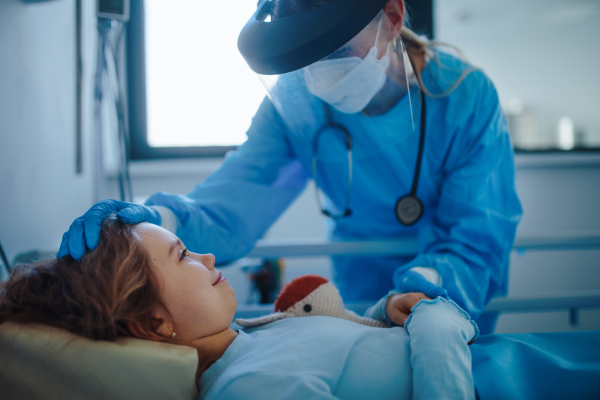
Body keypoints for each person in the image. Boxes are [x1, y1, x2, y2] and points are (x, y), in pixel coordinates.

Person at [57, 0, 523, 333]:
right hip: (360, 280)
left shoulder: (464, 97)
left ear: (393, 17)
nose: (319, 74)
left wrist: (424, 293)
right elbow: (239, 196)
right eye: (306, 61)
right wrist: (159, 220)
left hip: (450, 288)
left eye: (337, 52)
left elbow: (476, 234)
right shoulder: (297, 105)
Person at [2, 216, 599, 400]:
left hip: (525, 357)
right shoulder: (249, 386)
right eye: (184, 254)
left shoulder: (253, 342)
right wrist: (435, 323)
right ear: (155, 323)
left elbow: (349, 351)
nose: (209, 252)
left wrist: (389, 306)